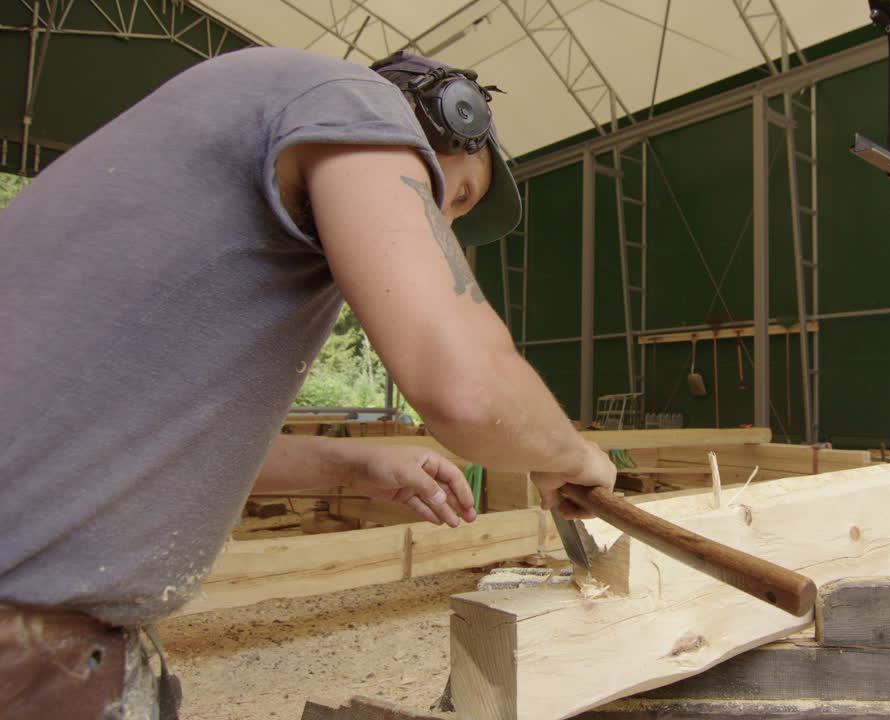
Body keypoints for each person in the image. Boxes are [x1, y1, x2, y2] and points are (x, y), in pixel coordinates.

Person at [0, 46, 616, 719]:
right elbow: (466, 389)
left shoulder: (204, 162)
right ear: (450, 115)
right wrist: (574, 455)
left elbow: (118, 443)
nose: (439, 224)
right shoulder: (353, 100)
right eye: (455, 194)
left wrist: (346, 465)